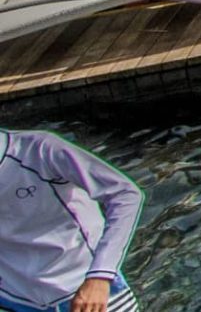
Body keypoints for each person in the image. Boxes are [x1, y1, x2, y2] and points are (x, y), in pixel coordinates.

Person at [0, 127, 144, 312]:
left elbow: (125, 194)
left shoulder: (38, 149)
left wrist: (100, 277)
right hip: (15, 300)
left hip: (88, 294)